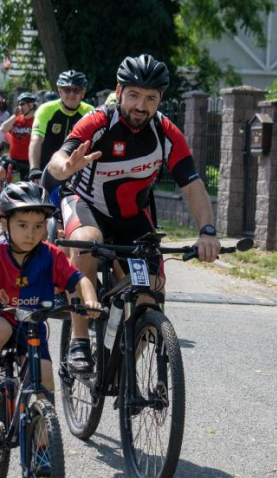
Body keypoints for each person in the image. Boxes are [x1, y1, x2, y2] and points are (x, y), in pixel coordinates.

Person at [47, 54, 222, 373]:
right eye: (134, 95)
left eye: (151, 98)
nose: (141, 105)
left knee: (150, 294)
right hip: (86, 204)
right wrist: (65, 167)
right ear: (119, 91)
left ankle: (123, 373)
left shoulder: (167, 133)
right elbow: (57, 160)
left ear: (160, 100)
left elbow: (193, 185)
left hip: (132, 217)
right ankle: (80, 340)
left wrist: (207, 231)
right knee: (88, 242)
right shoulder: (99, 122)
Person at [0, 182, 101, 416]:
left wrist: (91, 299)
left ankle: (45, 444)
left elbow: (79, 280)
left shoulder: (51, 255)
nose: (30, 233)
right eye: (22, 225)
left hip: (33, 327)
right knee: (0, 330)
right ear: (5, 224)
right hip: (0, 317)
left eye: (38, 226)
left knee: (46, 382)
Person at [29, 70, 93, 176]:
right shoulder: (46, 109)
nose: (72, 94)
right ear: (60, 91)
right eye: (67, 90)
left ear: (83, 92)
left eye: (76, 90)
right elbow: (36, 140)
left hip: (77, 173)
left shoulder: (90, 112)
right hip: (46, 170)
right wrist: (34, 169)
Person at [0, 91, 37, 214]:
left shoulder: (35, 121)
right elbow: (2, 129)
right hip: (12, 158)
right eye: (18, 104)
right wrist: (15, 115)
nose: (20, 107)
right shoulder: (17, 119)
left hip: (26, 161)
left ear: (31, 105)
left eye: (23, 104)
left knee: (24, 189)